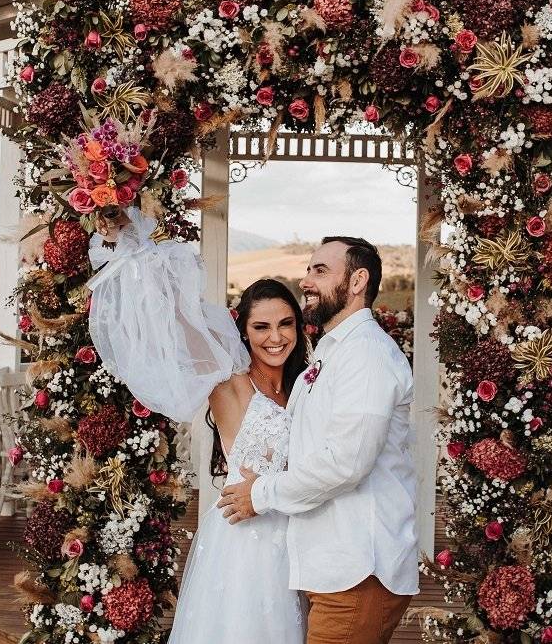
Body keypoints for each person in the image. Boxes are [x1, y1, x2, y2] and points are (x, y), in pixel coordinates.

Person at [86, 208, 308, 642]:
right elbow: (176, 322)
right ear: (243, 332)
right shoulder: (231, 382)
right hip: (246, 544)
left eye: (285, 324)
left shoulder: (304, 386)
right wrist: (135, 245)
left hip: (299, 535)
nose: (275, 337)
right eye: (261, 327)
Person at [218, 236, 420, 644]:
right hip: (331, 568)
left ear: (358, 280)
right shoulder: (332, 353)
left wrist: (260, 494)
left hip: (358, 570)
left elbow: (345, 463)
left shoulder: (366, 355)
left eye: (320, 271)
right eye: (309, 270)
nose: (306, 281)